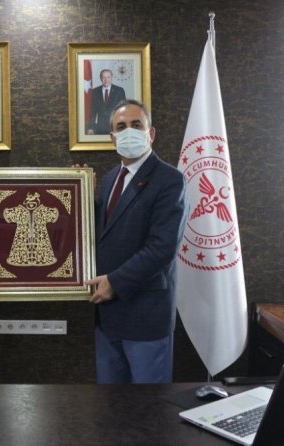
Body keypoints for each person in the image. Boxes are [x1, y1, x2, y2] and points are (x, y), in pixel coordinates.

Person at [86, 99, 188, 384]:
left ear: (150, 133)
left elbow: (162, 248)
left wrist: (115, 282)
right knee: (111, 404)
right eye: (120, 127)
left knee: (148, 405)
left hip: (145, 316)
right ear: (112, 138)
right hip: (107, 317)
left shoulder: (170, 180)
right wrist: (80, 195)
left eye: (136, 125)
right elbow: (104, 234)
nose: (128, 131)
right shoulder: (109, 179)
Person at [86, 69, 126, 135]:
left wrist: (123, 126)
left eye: (108, 77)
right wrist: (90, 127)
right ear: (101, 78)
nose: (106, 80)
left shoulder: (119, 91)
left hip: (115, 127)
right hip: (100, 128)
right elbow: (93, 111)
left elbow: (123, 111)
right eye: (104, 77)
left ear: (111, 78)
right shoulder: (95, 91)